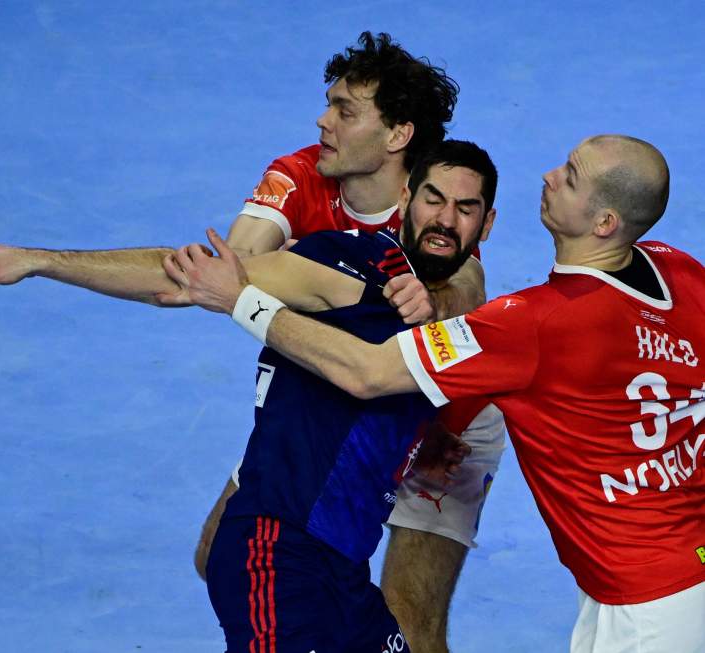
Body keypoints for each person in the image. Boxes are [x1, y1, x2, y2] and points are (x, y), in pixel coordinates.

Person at [0, 139, 502, 652]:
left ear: (487, 224)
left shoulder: (459, 304)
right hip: (276, 552)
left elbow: (462, 297)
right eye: (433, 199)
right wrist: (42, 261)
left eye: (465, 208)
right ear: (405, 197)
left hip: (344, 571)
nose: (445, 220)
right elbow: (186, 277)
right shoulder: (347, 264)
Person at [167, 134, 705, 653]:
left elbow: (368, 373)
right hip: (669, 571)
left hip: (647, 601)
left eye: (570, 175)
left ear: (605, 222)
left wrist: (243, 301)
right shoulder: (677, 270)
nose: (549, 175)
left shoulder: (535, 321)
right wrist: (443, 428)